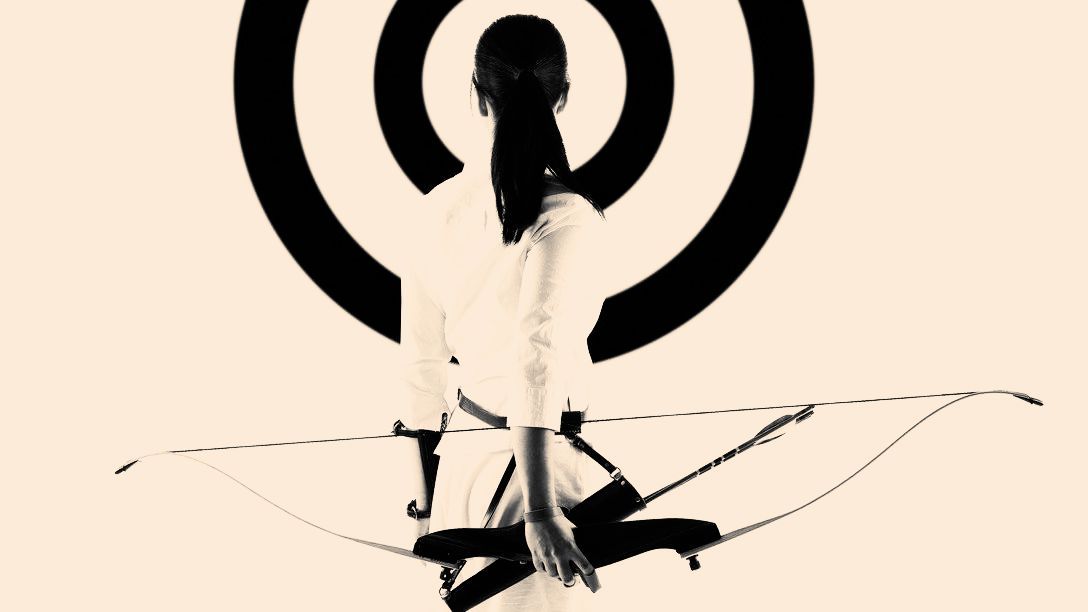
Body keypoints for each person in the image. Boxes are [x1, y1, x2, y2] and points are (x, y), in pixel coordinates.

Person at [397, 14, 608, 611]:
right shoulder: (565, 215)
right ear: (562, 95)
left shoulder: (434, 209)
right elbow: (536, 358)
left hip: (461, 467)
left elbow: (420, 369)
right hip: (536, 478)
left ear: (476, 91)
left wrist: (424, 508)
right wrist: (541, 511)